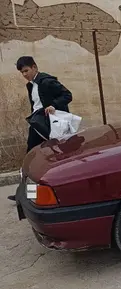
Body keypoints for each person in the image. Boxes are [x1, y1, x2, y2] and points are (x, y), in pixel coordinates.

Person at [7, 56, 73, 202]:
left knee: (59, 158)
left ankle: (65, 194)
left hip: (53, 126)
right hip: (38, 125)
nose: (24, 74)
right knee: (30, 158)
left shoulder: (47, 81)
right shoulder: (30, 85)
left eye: (26, 70)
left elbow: (67, 95)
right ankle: (24, 195)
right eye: (22, 72)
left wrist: (53, 105)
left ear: (34, 67)